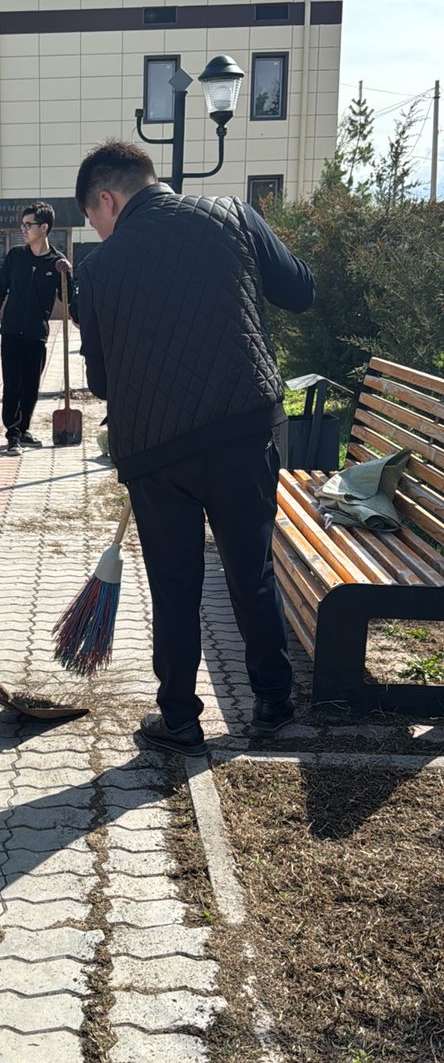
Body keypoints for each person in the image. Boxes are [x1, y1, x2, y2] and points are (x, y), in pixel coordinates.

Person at [74, 140, 316, 751]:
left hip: (156, 454)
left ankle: (179, 718)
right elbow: (299, 291)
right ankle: (273, 703)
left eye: (93, 218)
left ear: (108, 198)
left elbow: (101, 381)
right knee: (250, 571)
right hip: (241, 432)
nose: (98, 231)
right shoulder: (232, 215)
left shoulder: (98, 271)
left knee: (175, 584)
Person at [0, 202, 77, 455]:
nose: (23, 229)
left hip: (37, 334)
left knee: (31, 387)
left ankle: (24, 430)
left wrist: (68, 276)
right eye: (22, 225)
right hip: (12, 332)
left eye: (29, 225)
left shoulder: (57, 263)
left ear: (44, 227)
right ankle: (12, 434)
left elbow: (68, 300)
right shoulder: (15, 256)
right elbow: (1, 287)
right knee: (12, 384)